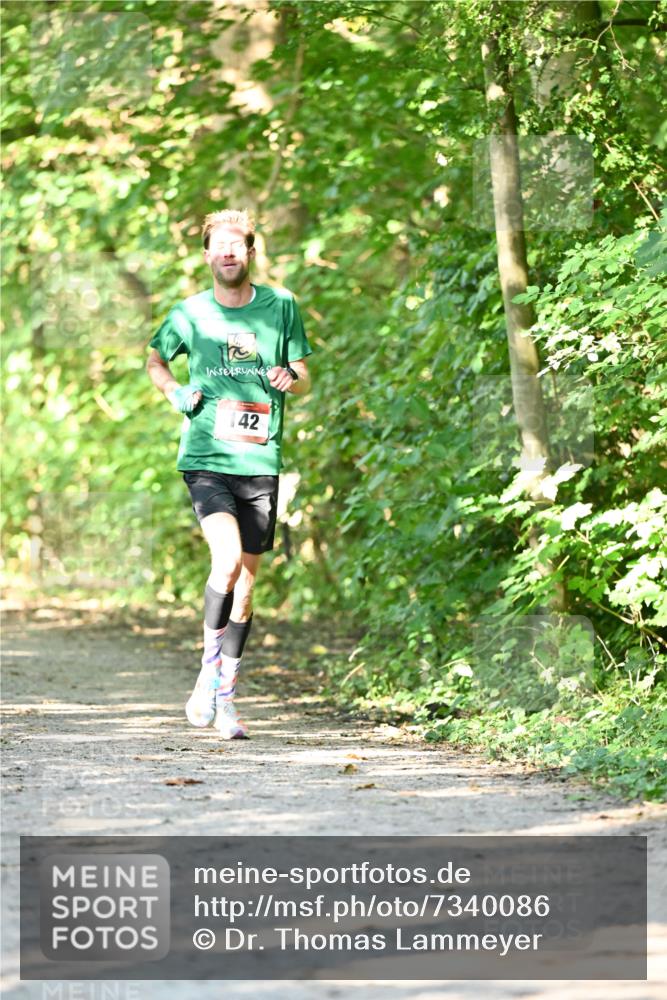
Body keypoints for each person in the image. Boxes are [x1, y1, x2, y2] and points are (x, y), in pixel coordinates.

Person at [146, 208, 312, 739]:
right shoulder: (189, 313)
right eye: (219, 245)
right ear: (206, 254)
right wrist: (176, 392)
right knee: (226, 563)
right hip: (206, 457)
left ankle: (227, 697)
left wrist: (290, 379)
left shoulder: (280, 306)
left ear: (251, 251)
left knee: (245, 590)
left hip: (260, 461)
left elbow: (304, 376)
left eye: (237, 245)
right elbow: (154, 359)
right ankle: (206, 673)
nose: (228, 253)